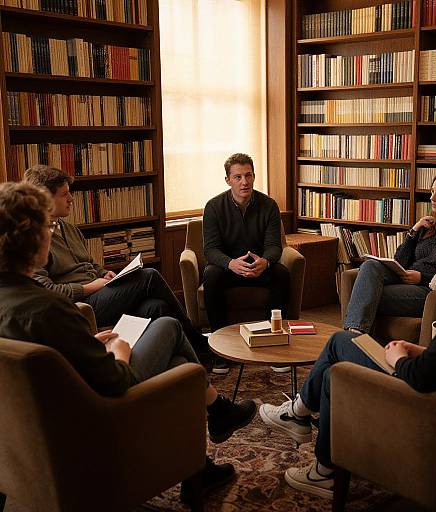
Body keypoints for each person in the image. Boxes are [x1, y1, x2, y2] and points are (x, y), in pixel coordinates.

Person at [0, 181, 257, 503]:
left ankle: (205, 456)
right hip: (99, 417)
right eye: (46, 227)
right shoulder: (50, 309)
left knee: (166, 336)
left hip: (34, 431)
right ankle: (216, 413)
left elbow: (37, 356)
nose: (51, 233)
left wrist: (87, 342)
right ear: (33, 237)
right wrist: (119, 353)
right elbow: (114, 382)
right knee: (169, 332)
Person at [259, 179, 436, 499]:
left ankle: (314, 448)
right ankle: (307, 428)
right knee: (343, 352)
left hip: (429, 405)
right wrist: (423, 349)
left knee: (340, 349)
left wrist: (399, 358)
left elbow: (424, 378)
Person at [23, 164, 210, 359]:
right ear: (44, 198)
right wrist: (89, 287)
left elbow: (89, 263)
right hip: (82, 304)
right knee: (149, 276)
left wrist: (103, 273)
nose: (71, 199)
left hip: (100, 292)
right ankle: (200, 344)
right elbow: (47, 291)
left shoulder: (68, 228)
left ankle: (182, 361)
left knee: (156, 306)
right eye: (64, 194)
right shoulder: (35, 239)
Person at [343, 169, 436, 335]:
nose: (432, 198)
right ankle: (356, 333)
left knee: (366, 293)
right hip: (405, 277)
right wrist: (414, 231)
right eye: (432, 192)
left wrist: (422, 278)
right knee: (370, 266)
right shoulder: (428, 226)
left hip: (429, 290)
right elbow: (400, 260)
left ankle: (353, 335)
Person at [202, 153, 290, 372]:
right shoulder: (213, 207)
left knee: (281, 273)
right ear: (228, 180)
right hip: (229, 269)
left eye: (248, 175)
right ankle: (220, 349)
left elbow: (274, 245)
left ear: (254, 176)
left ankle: (274, 343)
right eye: (238, 177)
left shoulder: (268, 205)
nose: (245, 182)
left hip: (258, 268)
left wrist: (266, 261)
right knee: (211, 274)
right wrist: (230, 263)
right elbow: (210, 250)